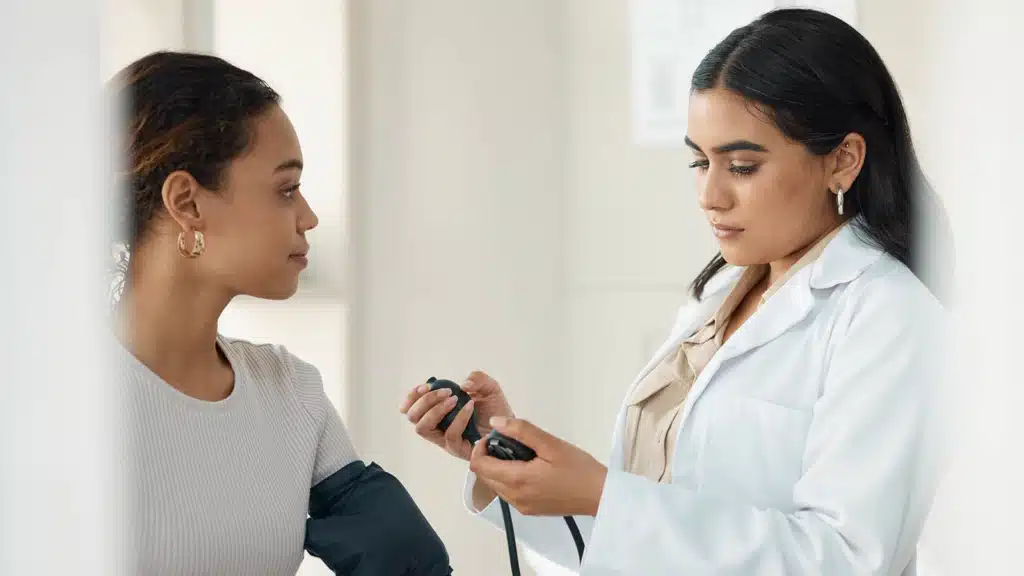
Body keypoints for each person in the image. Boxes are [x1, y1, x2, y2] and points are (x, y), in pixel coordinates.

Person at [401, 8, 952, 575]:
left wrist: (602, 495)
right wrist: (510, 460)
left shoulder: (890, 315)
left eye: (741, 165)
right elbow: (640, 541)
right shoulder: (717, 296)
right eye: (699, 160)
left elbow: (845, 561)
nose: (710, 195)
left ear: (843, 160)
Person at [109, 51, 451, 575]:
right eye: (286, 189)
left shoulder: (291, 392)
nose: (308, 217)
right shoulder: (48, 398)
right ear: (188, 202)